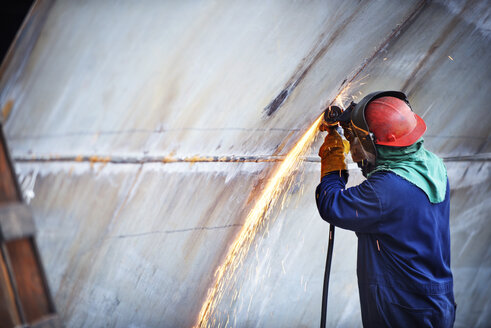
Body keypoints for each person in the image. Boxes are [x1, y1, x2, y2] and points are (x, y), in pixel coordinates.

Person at [315, 91, 456, 327]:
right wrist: (357, 133)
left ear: (373, 142)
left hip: (404, 309)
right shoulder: (431, 164)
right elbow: (385, 172)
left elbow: (331, 203)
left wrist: (334, 151)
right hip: (434, 302)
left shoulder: (387, 191)